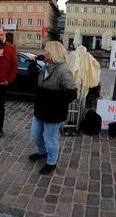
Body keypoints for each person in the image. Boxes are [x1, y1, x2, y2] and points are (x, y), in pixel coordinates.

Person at [28, 41, 77, 175]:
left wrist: (54, 102)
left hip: (53, 112)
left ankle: (51, 162)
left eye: (46, 51)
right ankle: (42, 152)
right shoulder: (46, 67)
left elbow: (72, 93)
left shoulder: (63, 70)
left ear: (52, 53)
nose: (44, 53)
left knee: (51, 139)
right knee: (36, 134)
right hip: (40, 109)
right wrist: (32, 64)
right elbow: (34, 81)